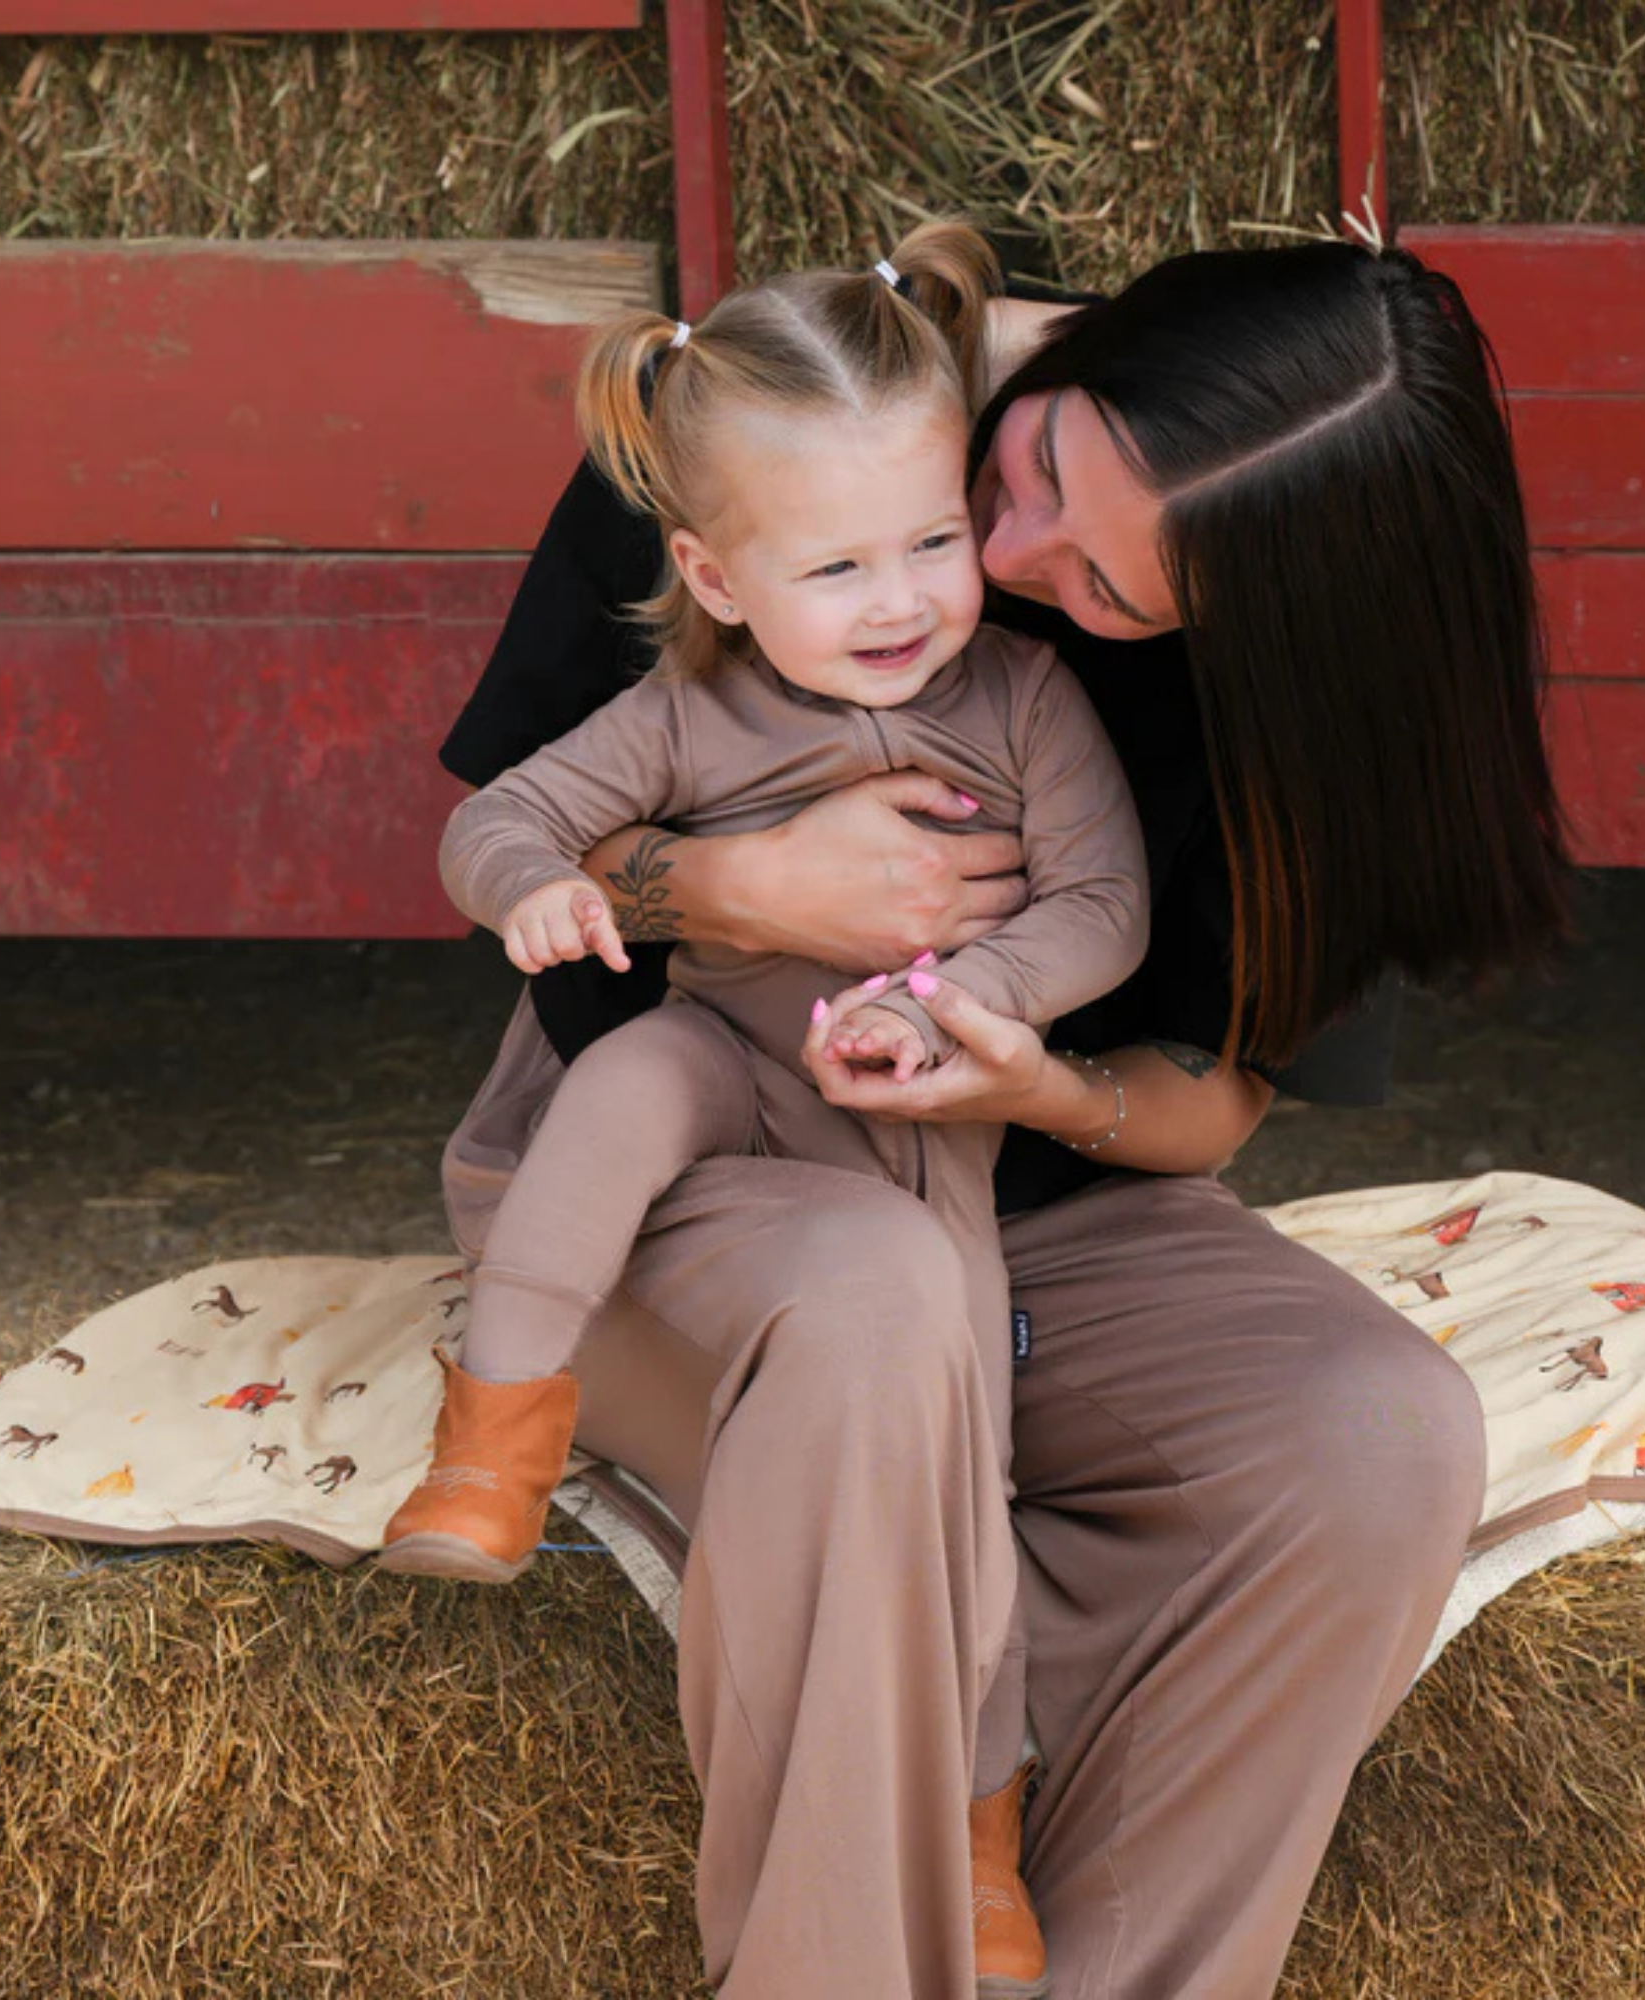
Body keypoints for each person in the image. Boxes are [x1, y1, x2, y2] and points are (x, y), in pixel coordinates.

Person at [435, 234, 1571, 1999]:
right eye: (1032, 470)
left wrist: (1037, 1081)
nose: (1018, 568)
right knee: (878, 1300)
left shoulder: (1296, 716)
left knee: (1380, 1433)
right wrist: (741, 887)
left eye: (1118, 594)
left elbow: (1210, 1099)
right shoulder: (779, 399)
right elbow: (527, 846)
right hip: (695, 1164)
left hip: (1026, 1203)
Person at [386, 223, 1149, 1992]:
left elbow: (1102, 908)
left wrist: (978, 1005)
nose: (901, 603)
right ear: (718, 579)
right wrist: (541, 895)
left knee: (962, 1454)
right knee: (631, 1072)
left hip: (912, 1121)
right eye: (836, 567)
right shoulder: (681, 709)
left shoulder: (1024, 700)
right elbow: (494, 819)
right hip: (726, 1057)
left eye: (937, 542)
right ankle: (493, 1430)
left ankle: (976, 1824)